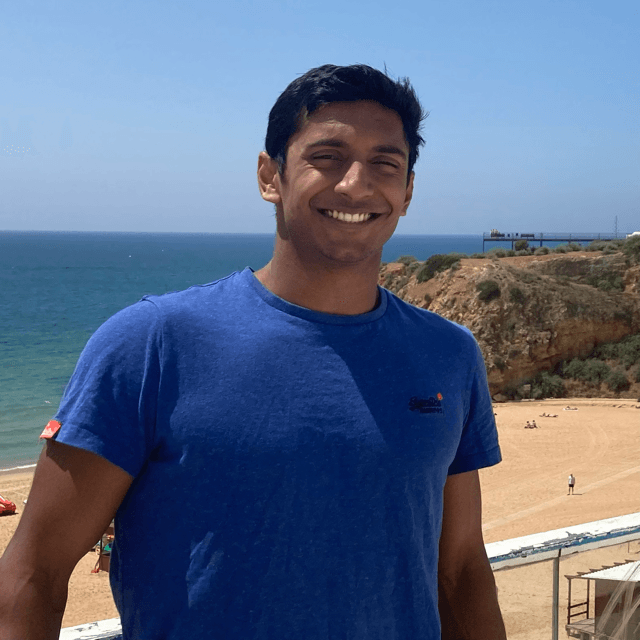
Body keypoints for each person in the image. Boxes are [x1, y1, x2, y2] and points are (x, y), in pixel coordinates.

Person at [0, 64, 505, 640]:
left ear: (407, 191)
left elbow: (460, 571)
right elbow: (32, 573)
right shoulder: (151, 343)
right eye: (328, 157)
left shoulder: (448, 354)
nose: (355, 185)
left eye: (384, 164)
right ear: (270, 176)